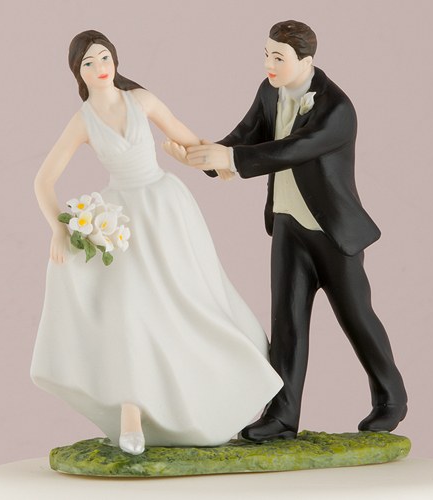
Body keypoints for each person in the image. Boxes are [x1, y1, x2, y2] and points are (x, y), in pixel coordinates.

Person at [30, 30, 282, 455]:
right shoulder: (83, 121)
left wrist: (219, 165)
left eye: (103, 57)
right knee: (131, 311)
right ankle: (131, 412)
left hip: (165, 212)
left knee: (187, 301)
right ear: (78, 72)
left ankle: (216, 389)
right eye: (88, 62)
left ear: (115, 59)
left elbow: (188, 138)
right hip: (122, 223)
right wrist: (59, 228)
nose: (99, 67)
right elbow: (43, 181)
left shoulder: (141, 100)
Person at [167, 20, 407, 442]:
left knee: (357, 318)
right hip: (287, 226)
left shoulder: (337, 109)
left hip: (332, 233)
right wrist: (205, 157)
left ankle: (391, 398)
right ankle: (282, 415)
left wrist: (230, 160)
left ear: (306, 61)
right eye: (266, 54)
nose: (269, 64)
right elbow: (246, 136)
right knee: (287, 325)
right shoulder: (269, 92)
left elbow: (292, 150)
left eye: (278, 57)